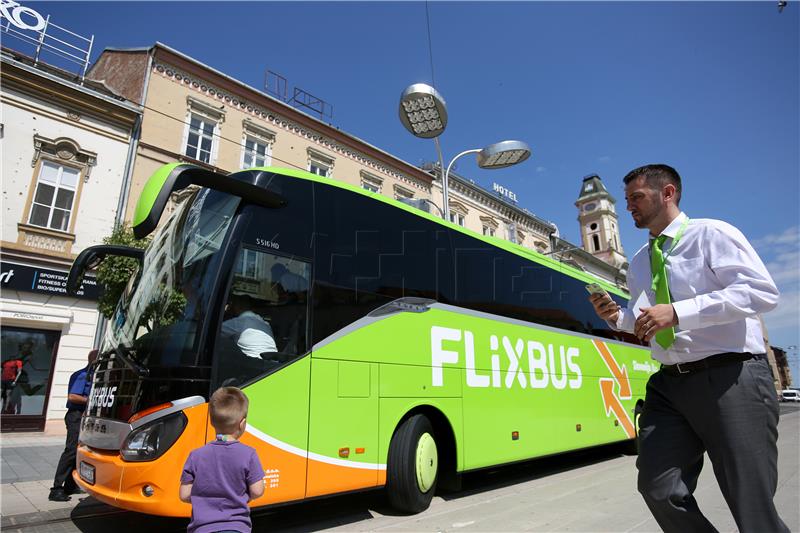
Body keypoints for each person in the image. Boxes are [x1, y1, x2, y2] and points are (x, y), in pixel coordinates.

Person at [589, 164, 787, 532]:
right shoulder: (639, 262)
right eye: (628, 199)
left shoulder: (712, 234)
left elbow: (761, 292)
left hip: (731, 375)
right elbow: (649, 319)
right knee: (657, 486)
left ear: (667, 193)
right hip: (670, 385)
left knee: (751, 503)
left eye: (637, 197)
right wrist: (619, 317)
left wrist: (680, 312)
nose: (629, 206)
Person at [179, 387, 265, 533]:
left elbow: (184, 495)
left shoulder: (196, 455)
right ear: (242, 424)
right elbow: (257, 491)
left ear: (211, 422)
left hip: (202, 528)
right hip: (236, 527)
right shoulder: (248, 454)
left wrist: (204, 501)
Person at [49, 349, 97, 502]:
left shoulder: (93, 375)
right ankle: (56, 489)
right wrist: (91, 400)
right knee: (70, 451)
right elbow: (73, 396)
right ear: (93, 360)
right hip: (76, 416)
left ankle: (70, 485)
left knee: (79, 451)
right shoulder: (83, 375)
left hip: (85, 417)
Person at [220, 293, 277, 358]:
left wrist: (224, 313)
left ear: (237, 306)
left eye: (232, 304)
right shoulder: (265, 323)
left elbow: (213, 332)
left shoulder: (239, 321)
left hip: (254, 363)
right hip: (275, 363)